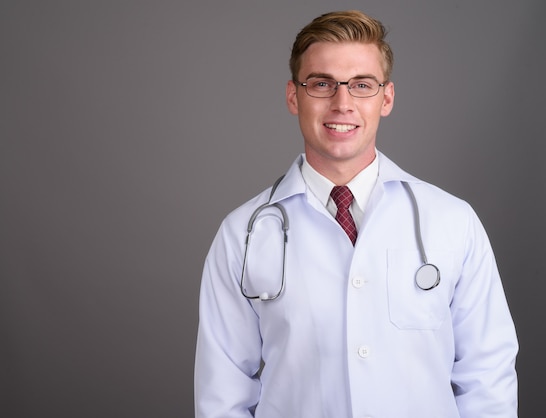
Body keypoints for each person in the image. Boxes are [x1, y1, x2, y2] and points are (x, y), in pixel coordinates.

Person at [194, 10, 518, 418]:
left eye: (361, 85)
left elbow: (488, 379)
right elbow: (222, 396)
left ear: (386, 98)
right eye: (321, 84)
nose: (342, 103)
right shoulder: (242, 233)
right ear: (294, 96)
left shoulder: (453, 222)